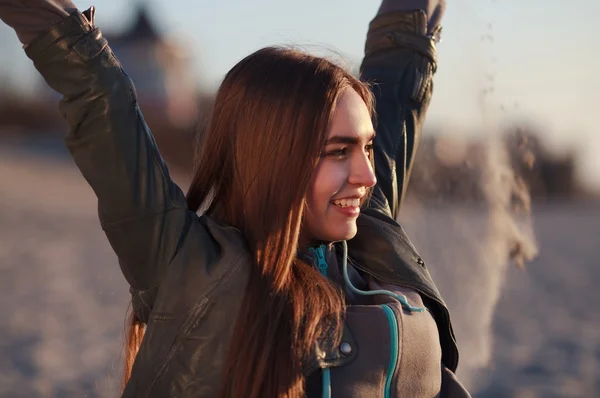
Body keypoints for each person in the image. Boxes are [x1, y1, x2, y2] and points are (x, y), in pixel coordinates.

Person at [0, 0, 471, 397]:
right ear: (275, 157)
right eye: (338, 151)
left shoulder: (370, 234)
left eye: (368, 146)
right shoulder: (191, 269)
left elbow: (401, 60)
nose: (368, 175)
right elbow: (97, 92)